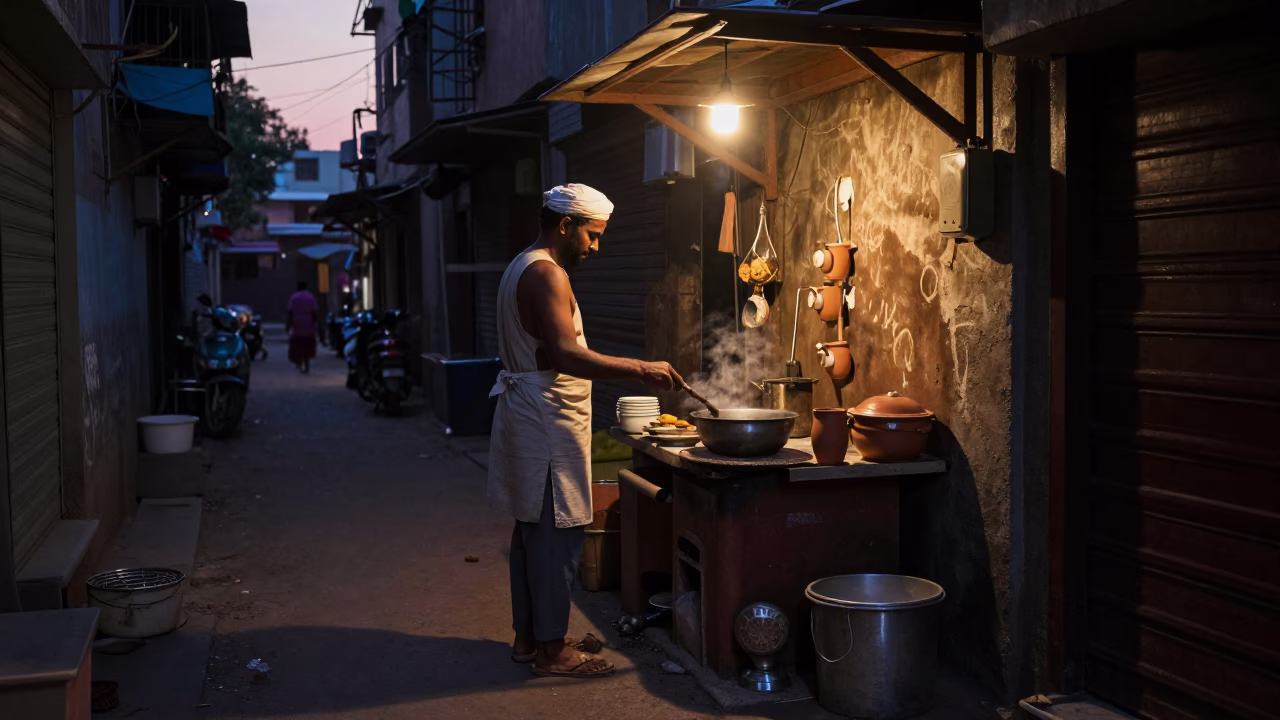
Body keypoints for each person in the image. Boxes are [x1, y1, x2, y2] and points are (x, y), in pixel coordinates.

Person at [489, 183, 684, 679]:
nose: (595, 248)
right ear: (564, 225)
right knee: (558, 535)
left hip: (533, 416)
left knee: (532, 532)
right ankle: (553, 653)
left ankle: (529, 639)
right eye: (592, 236)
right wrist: (640, 368)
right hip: (546, 421)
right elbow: (565, 355)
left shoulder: (520, 263)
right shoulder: (546, 275)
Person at [286, 281, 318, 374]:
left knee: (298, 345)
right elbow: (314, 311)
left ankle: (299, 363)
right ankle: (307, 365)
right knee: (307, 346)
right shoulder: (310, 297)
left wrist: (289, 325)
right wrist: (315, 323)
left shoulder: (294, 297)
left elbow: (290, 312)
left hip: (297, 325)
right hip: (308, 325)